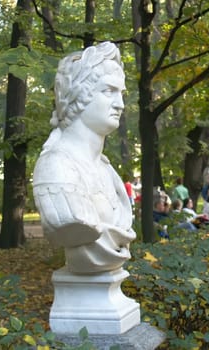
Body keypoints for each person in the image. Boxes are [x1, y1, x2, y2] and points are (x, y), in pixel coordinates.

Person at [33, 42, 136, 274]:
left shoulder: (106, 171)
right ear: (80, 95)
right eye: (109, 91)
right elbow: (69, 223)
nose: (120, 104)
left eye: (121, 93)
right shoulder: (57, 167)